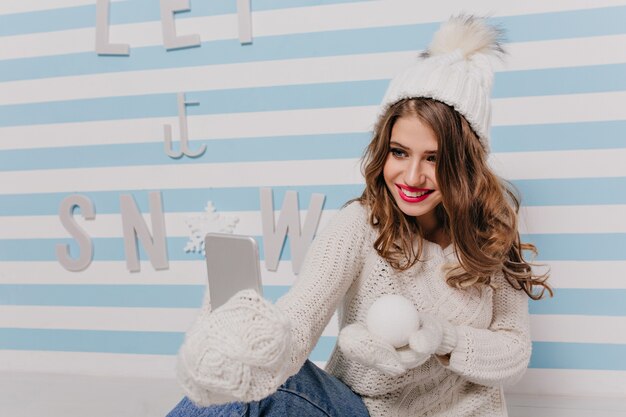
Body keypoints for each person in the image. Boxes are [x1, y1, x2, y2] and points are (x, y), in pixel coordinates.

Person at [167, 15, 552, 417]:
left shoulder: (492, 233)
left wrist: (443, 339)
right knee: (252, 382)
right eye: (399, 152)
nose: (412, 176)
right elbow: (299, 319)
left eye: (434, 159)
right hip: (356, 411)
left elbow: (513, 351)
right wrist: (247, 341)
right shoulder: (359, 225)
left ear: (464, 164)